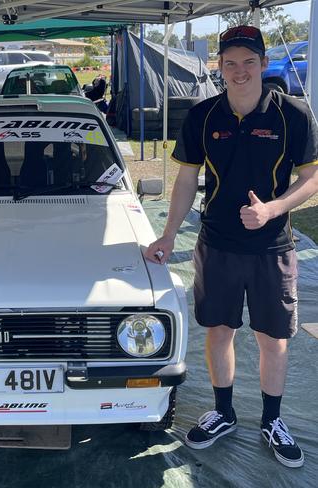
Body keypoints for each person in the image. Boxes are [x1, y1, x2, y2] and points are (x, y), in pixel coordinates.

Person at [145, 25, 318, 468]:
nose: (239, 71)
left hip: (272, 247)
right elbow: (185, 179)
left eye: (248, 61)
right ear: (218, 67)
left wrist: (274, 209)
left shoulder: (294, 114)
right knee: (219, 331)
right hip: (216, 243)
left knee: (273, 339)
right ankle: (223, 412)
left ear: (262, 63)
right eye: (230, 63)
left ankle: (272, 421)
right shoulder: (204, 115)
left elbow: (311, 177)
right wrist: (168, 235)